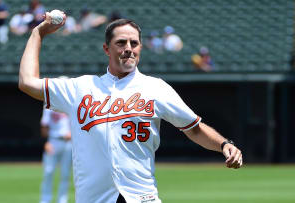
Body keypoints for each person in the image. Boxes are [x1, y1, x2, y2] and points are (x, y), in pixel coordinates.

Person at [18, 12, 243, 203]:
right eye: (121, 43)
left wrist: (224, 144)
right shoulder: (80, 88)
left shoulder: (156, 88)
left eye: (134, 43)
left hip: (141, 197)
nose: (128, 48)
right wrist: (38, 34)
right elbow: (27, 83)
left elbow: (193, 127)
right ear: (107, 49)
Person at [39, 108, 72, 203]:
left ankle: (62, 200)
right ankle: (45, 200)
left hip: (67, 142)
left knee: (65, 174)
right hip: (53, 141)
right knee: (48, 172)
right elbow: (44, 126)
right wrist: (46, 142)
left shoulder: (68, 103)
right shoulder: (48, 107)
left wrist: (72, 133)